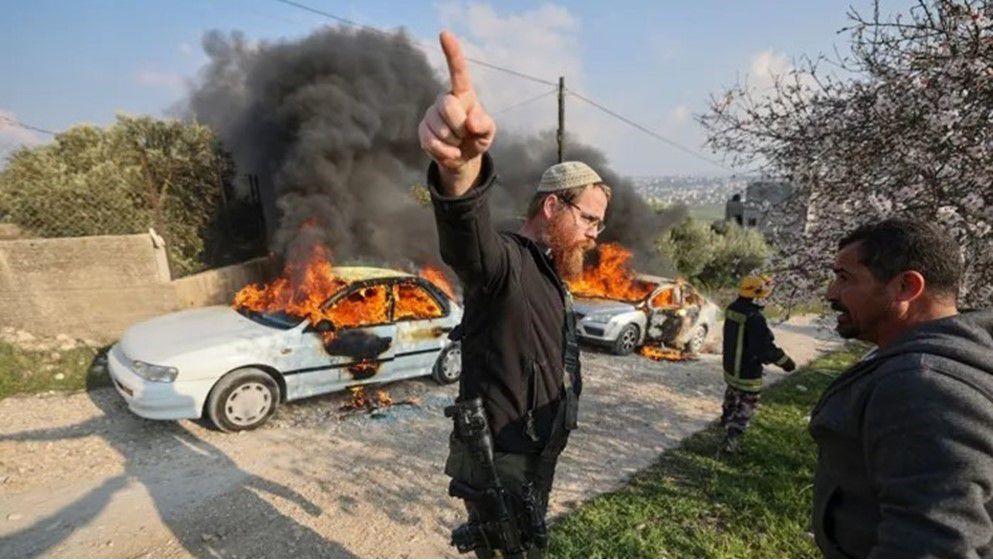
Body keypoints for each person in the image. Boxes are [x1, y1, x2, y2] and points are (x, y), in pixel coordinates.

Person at [418, 31, 611, 558]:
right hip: (499, 458)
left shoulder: (550, 272)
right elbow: (469, 243)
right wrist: (459, 173)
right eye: (589, 219)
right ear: (552, 208)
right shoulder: (504, 264)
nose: (595, 233)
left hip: (534, 453)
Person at [811, 217, 993, 557]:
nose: (830, 293)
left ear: (906, 287)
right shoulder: (925, 362)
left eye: (844, 278)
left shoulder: (924, 387)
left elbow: (933, 546)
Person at [720, 274, 795, 452]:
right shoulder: (754, 318)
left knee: (732, 397)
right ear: (756, 296)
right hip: (748, 371)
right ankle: (731, 442)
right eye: (763, 296)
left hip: (731, 368)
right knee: (746, 404)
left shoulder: (732, 309)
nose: (764, 300)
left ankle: (725, 421)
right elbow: (764, 348)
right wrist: (785, 362)